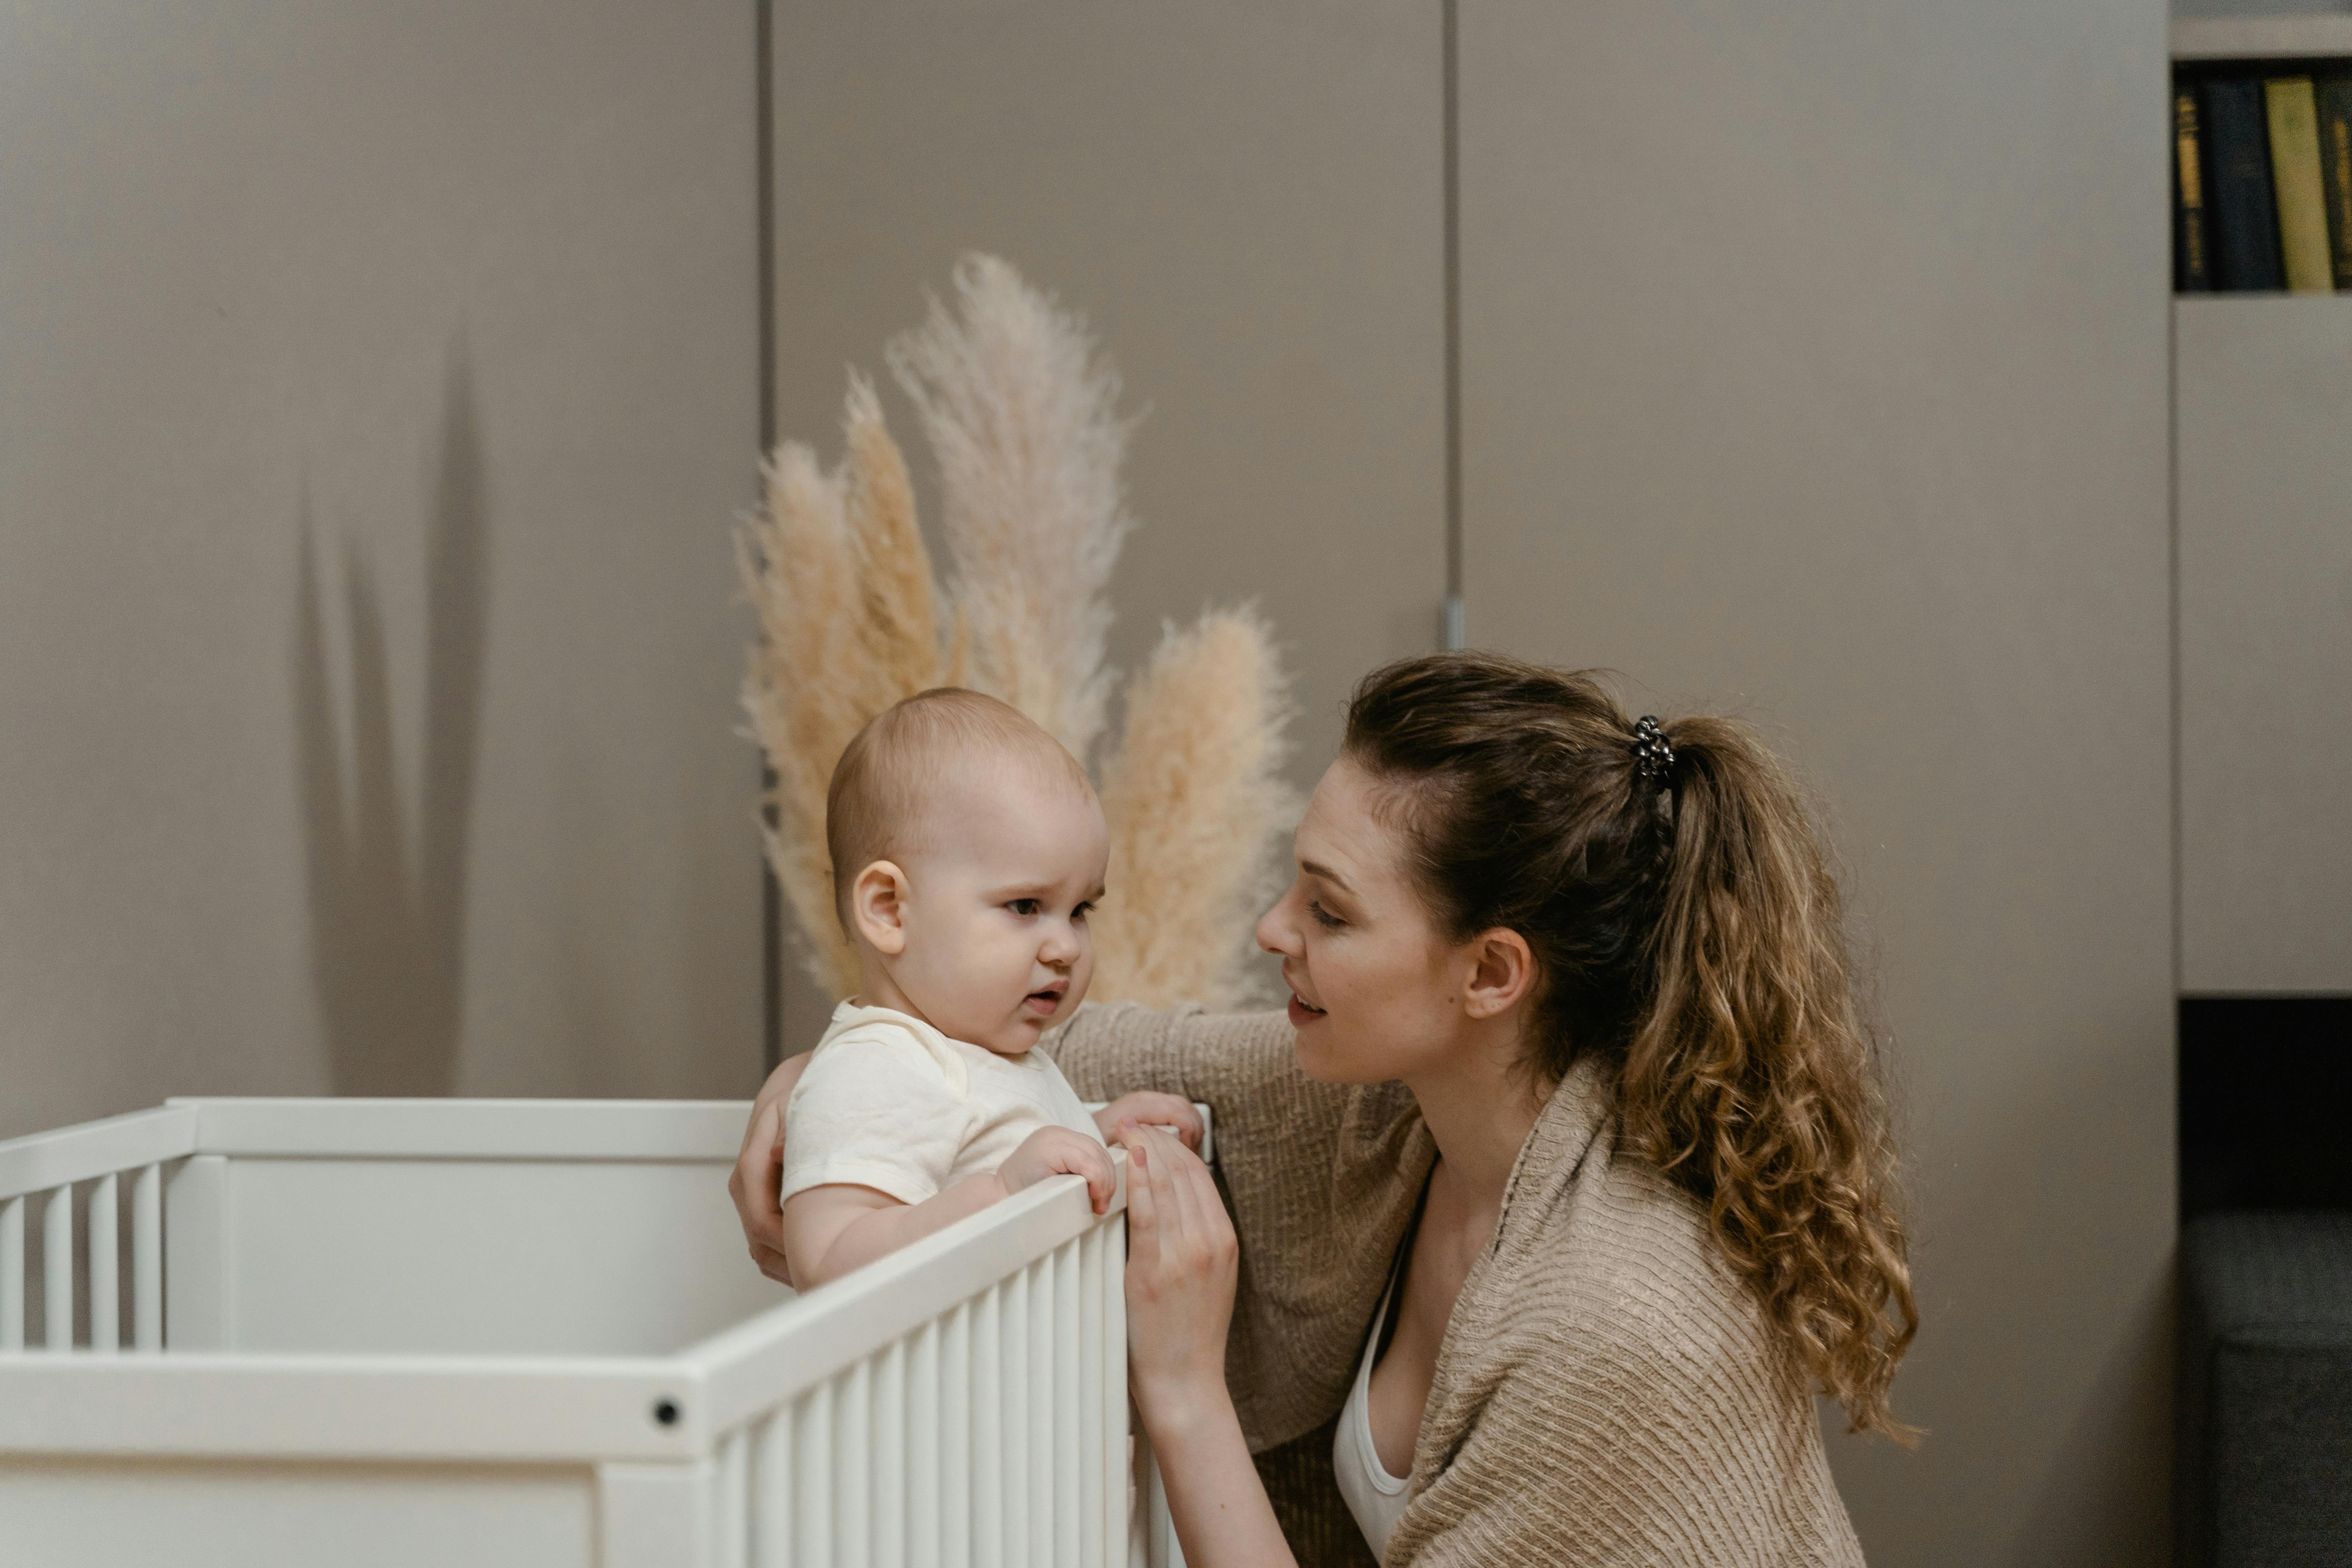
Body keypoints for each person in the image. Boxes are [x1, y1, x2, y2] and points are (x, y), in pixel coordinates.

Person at [732, 653, 1916, 1565]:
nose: (1271, 932)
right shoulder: (1391, 1114)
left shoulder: (1613, 1330)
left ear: (1491, 975)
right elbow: (997, 1034)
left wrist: (1184, 1388)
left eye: (1332, 914)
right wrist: (832, 1093)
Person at [774, 687, 1200, 1289]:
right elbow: (828, 1261)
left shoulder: (988, 1057)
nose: (1067, 946)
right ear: (890, 910)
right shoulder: (877, 1068)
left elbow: (987, 1140)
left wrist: (1099, 1135)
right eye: (1026, 906)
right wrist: (1000, 1197)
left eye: (1080, 910)